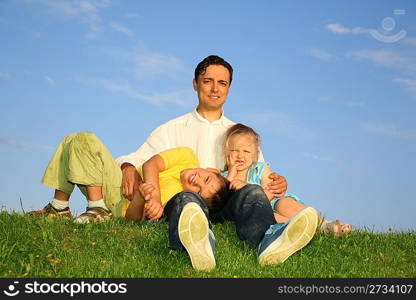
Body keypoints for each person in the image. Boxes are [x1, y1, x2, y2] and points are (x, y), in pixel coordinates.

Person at [114, 55, 319, 270]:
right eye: (207, 81)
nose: (215, 89)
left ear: (229, 88)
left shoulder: (238, 132)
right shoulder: (172, 128)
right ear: (195, 84)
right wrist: (127, 166)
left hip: (227, 201)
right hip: (192, 197)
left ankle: (268, 240)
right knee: (186, 198)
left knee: (252, 192)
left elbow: (259, 171)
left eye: (222, 83)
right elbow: (140, 158)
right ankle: (198, 243)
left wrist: (277, 183)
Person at [29, 133, 230, 224]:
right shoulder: (187, 156)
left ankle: (98, 208)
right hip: (118, 181)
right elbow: (153, 163)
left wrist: (142, 198)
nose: (196, 182)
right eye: (205, 179)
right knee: (75, 140)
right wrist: (154, 193)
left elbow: (133, 220)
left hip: (119, 205)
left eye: (198, 192)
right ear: (210, 169)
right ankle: (59, 207)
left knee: (85, 140)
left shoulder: (176, 198)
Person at [221, 123, 352, 237]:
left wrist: (249, 189)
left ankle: (323, 223)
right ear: (227, 152)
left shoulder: (259, 169)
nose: (240, 155)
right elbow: (223, 198)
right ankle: (304, 230)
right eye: (234, 150)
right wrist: (232, 172)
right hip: (257, 211)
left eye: (246, 151)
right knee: (272, 217)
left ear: (255, 155)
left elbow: (270, 191)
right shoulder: (225, 176)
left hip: (272, 201)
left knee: (285, 204)